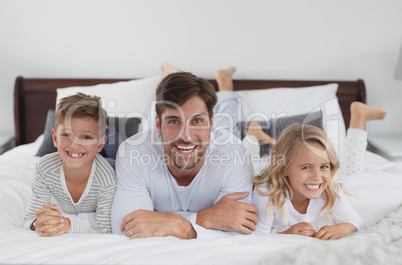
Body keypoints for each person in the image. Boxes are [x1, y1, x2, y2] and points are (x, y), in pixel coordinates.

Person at [111, 65, 257, 239]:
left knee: (229, 127)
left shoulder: (235, 154)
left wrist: (166, 223)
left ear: (211, 122)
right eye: (174, 121)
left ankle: (225, 83)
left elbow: (238, 228)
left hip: (221, 142)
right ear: (157, 124)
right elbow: (127, 228)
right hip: (154, 139)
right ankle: (173, 78)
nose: (186, 136)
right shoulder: (132, 152)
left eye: (197, 120)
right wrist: (203, 219)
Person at [251, 104, 386, 239]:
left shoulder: (328, 191)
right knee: (251, 152)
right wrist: (285, 234)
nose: (317, 177)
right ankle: (255, 135)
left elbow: (358, 222)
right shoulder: (267, 193)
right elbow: (258, 237)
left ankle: (358, 118)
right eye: (306, 167)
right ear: (284, 169)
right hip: (264, 166)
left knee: (351, 174)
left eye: (324, 167)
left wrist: (343, 227)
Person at [23, 93, 116, 235]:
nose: (75, 144)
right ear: (54, 138)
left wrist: (66, 225)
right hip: (87, 156)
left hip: (107, 163)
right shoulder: (45, 168)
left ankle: (109, 132)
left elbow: (104, 231)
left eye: (86, 137)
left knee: (119, 154)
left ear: (99, 144)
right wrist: (39, 223)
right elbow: (29, 219)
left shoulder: (107, 179)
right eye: (67, 135)